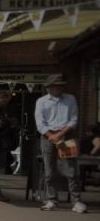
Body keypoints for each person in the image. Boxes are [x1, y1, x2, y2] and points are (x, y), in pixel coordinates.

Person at [34, 75, 85, 213]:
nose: (59, 88)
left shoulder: (70, 99)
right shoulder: (42, 102)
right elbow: (40, 123)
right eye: (56, 85)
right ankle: (51, 199)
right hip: (47, 136)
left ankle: (76, 201)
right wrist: (52, 136)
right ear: (49, 87)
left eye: (61, 85)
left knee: (71, 170)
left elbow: (73, 120)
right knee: (49, 170)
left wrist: (60, 135)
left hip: (66, 135)